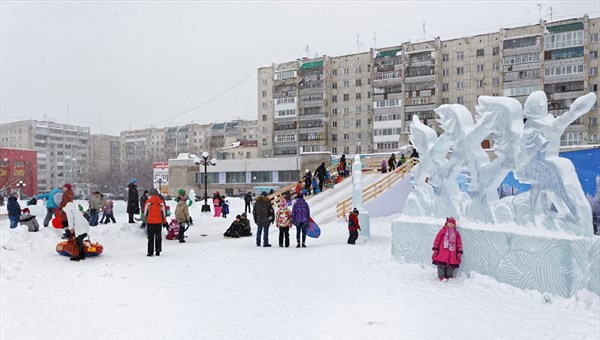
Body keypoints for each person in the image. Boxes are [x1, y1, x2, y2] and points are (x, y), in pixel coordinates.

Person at [431, 217, 463, 281]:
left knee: (450, 269)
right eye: (449, 223)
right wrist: (436, 249)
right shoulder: (442, 231)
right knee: (441, 267)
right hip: (442, 254)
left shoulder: (456, 234)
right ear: (446, 223)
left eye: (452, 224)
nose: (451, 225)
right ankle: (441, 277)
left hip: (452, 256)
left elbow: (459, 244)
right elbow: (437, 241)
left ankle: (449, 277)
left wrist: (459, 252)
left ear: (454, 225)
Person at [144, 189, 167, 256]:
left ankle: (150, 252)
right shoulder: (161, 202)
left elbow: (145, 212)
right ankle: (158, 251)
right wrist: (164, 221)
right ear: (157, 194)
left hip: (150, 221)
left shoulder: (148, 201)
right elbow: (164, 213)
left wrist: (145, 219)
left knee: (150, 237)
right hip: (158, 221)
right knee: (158, 236)